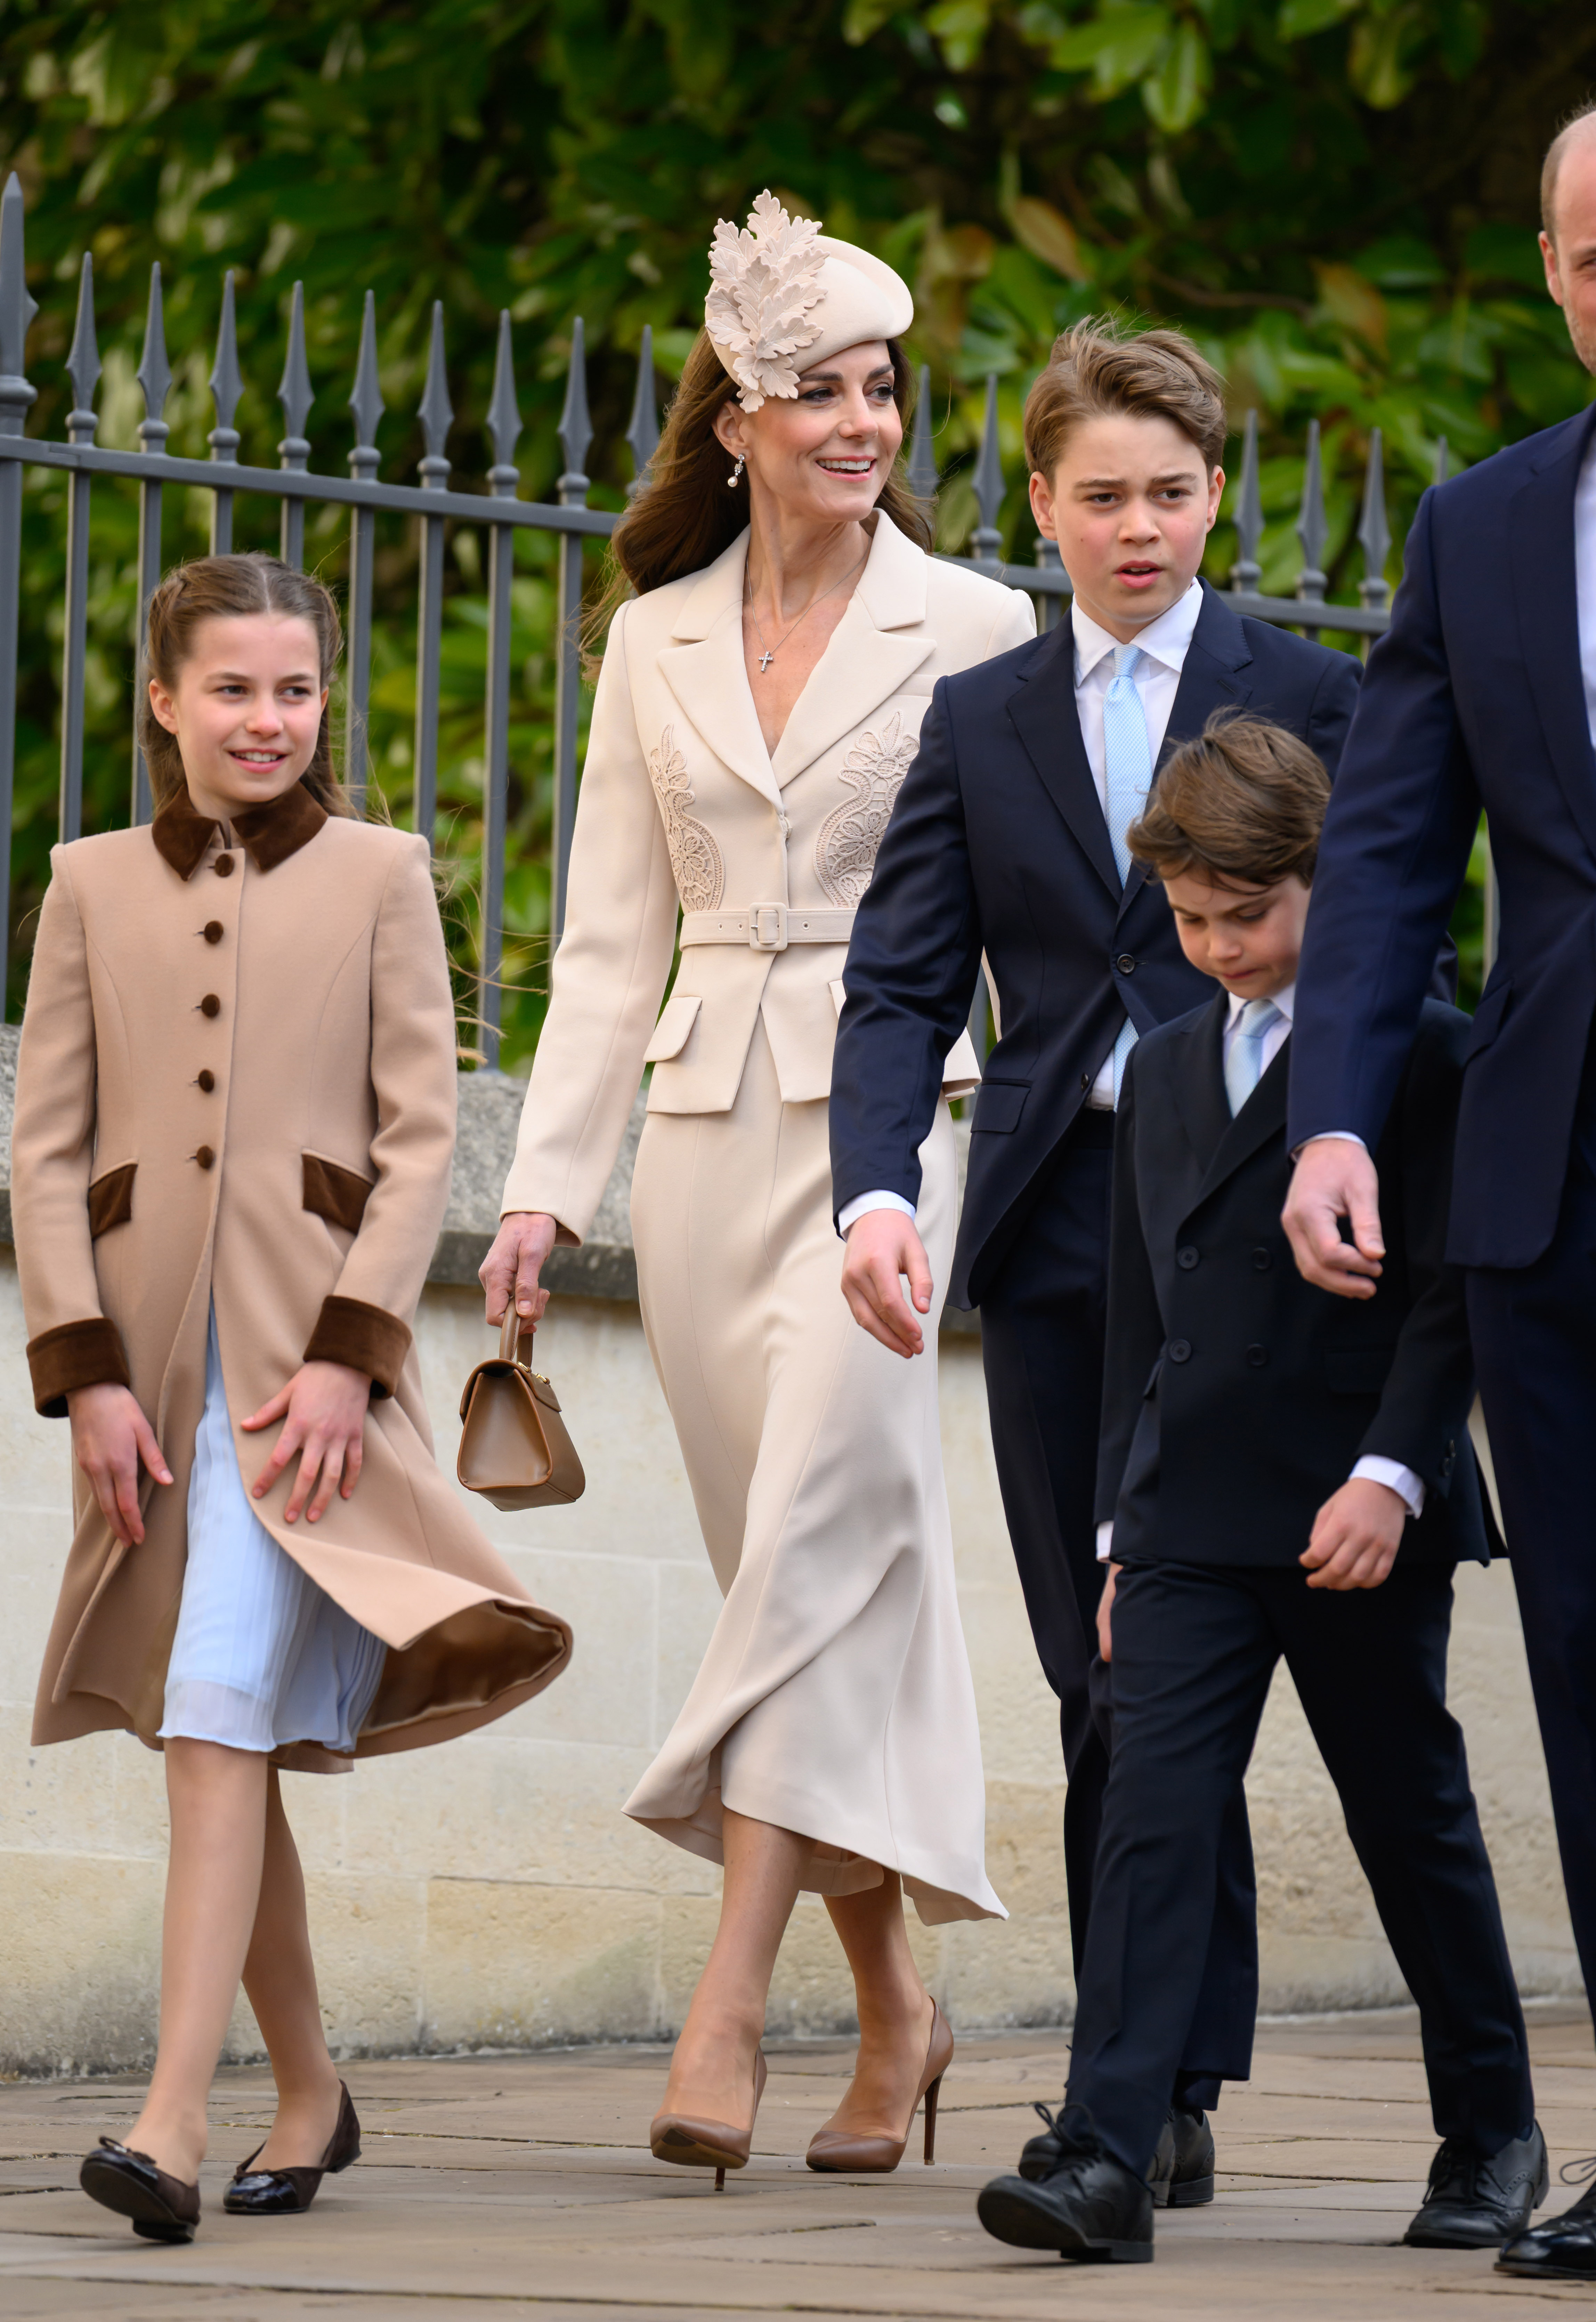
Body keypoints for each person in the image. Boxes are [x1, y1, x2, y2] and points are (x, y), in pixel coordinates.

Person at [479, 194, 1032, 2185]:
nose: (859, 418)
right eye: (817, 388)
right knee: (799, 1587)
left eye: (882, 386)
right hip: (708, 1141)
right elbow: (607, 946)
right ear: (736, 417)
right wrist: (542, 1191)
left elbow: (1025, 928)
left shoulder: (979, 626)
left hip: (905, 1137)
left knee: (820, 1531)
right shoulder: (652, 639)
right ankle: (899, 2014)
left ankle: (728, 2002)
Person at [829, 318, 1363, 2186]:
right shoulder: (978, 717)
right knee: (1099, 1670)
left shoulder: (1319, 689)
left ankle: (1151, 2085)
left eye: (1171, 491)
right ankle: (1160, 2071)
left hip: (1259, 1244)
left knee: (1195, 1661)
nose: (1139, 526)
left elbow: (1386, 965)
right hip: (1061, 1234)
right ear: (1040, 505)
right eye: (1102, 495)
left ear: (1212, 493)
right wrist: (876, 1189)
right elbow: (900, 976)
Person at [11, 554, 571, 2245]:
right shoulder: (85, 883)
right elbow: (43, 1153)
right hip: (151, 1389)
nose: (269, 718)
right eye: (234, 687)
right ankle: (313, 2084)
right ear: (165, 698)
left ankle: (167, 2125)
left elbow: (417, 1141)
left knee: (208, 1715)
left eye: (298, 688)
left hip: (300, 1388)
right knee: (222, 1738)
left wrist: (347, 1348)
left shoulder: (387, 872)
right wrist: (87, 1375)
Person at [977, 714, 1541, 2264]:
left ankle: (1491, 2127)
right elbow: (1136, 1324)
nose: (1217, 947)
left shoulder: (1421, 1050)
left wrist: (1392, 1474)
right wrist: (1111, 1524)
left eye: (1250, 914)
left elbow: (1449, 1291)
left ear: (1327, 885)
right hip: (1179, 1517)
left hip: (1354, 1509)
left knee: (1406, 1818)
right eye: (1189, 920)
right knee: (1147, 1820)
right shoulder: (1159, 1067)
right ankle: (1105, 2148)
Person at [1281, 103, 1596, 2286]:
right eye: (1593, 247)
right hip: (1554, 1187)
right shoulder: (1484, 528)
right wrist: (1326, 1113)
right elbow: (1390, 847)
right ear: (1558, 272)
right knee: (1586, 1668)